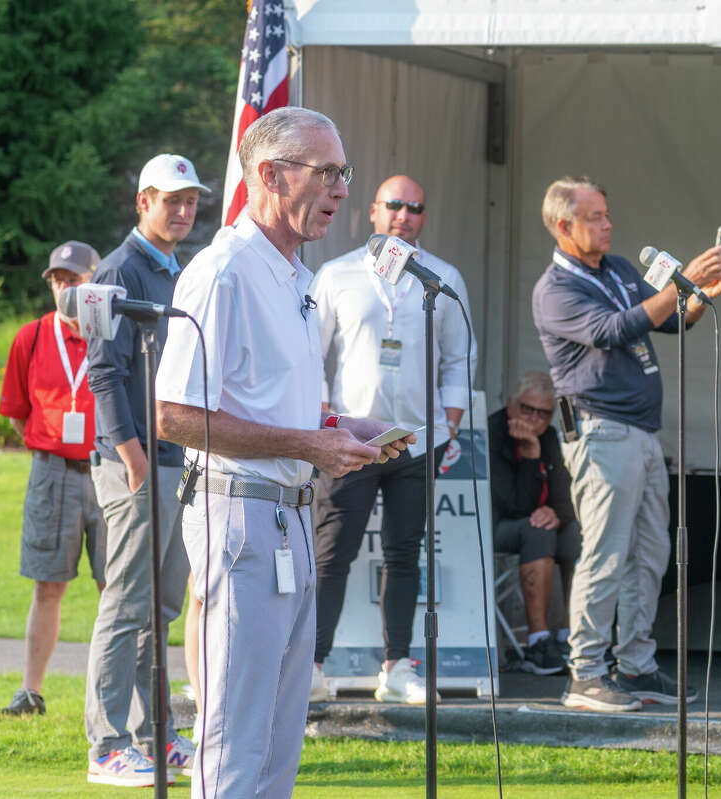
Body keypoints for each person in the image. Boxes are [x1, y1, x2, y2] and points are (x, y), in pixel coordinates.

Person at [156, 106, 410, 799]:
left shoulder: (296, 276)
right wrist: (309, 442)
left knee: (278, 736)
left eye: (342, 172)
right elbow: (174, 413)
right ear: (270, 174)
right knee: (235, 734)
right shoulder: (224, 271)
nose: (341, 189)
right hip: (240, 517)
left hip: (292, 516)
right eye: (326, 172)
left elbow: (265, 399)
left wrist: (342, 425)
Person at [531, 176, 721, 712]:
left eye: (606, 214)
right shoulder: (555, 289)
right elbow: (614, 329)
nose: (607, 224)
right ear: (563, 225)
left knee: (650, 553)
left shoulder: (618, 269)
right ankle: (586, 674)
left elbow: (668, 320)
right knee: (605, 555)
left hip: (640, 432)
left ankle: (636, 665)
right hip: (602, 432)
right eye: (595, 216)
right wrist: (679, 283)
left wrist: (696, 298)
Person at [308, 174, 476, 704]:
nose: (404, 214)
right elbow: (310, 352)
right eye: (394, 205)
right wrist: (322, 418)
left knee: (405, 554)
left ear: (424, 217)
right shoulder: (337, 274)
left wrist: (449, 425)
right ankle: (311, 665)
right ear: (373, 212)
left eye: (415, 207)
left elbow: (459, 357)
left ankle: (397, 667)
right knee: (332, 554)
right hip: (348, 440)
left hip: (416, 440)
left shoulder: (440, 278)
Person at [84, 154, 205, 786]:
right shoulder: (114, 271)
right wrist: (130, 455)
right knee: (125, 604)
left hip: (175, 462)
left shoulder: (176, 270)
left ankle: (152, 735)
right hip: (136, 464)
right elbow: (102, 373)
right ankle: (106, 746)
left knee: (158, 607)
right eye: (170, 200)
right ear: (143, 202)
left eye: (189, 202)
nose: (182, 211)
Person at [0, 242, 107, 716]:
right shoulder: (31, 337)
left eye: (73, 279)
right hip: (53, 472)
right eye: (57, 279)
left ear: (92, 284)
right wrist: (54, 445)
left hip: (110, 471)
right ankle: (31, 692)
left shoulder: (111, 332)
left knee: (116, 587)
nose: (63, 287)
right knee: (47, 586)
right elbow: (18, 415)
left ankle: (110, 693)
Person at [489, 370, 581, 675]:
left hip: (533, 525)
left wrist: (558, 512)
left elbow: (567, 494)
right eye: (527, 409)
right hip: (494, 527)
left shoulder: (550, 436)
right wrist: (530, 455)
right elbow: (514, 505)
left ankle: (574, 637)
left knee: (577, 533)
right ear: (512, 405)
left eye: (543, 413)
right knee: (537, 531)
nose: (534, 419)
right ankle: (537, 642)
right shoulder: (492, 432)